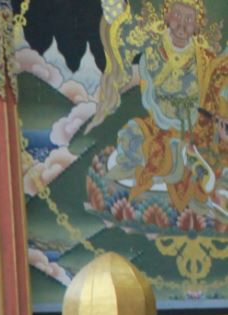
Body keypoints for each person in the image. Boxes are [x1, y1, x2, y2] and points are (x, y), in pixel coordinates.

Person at [91, 0, 219, 212]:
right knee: (130, 135)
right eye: (178, 16)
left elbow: (210, 99)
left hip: (192, 128)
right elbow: (148, 94)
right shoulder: (153, 52)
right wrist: (165, 120)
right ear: (167, 17)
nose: (182, 25)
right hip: (158, 123)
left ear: (198, 26)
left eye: (189, 19)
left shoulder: (204, 59)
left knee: (204, 159)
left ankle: (189, 187)